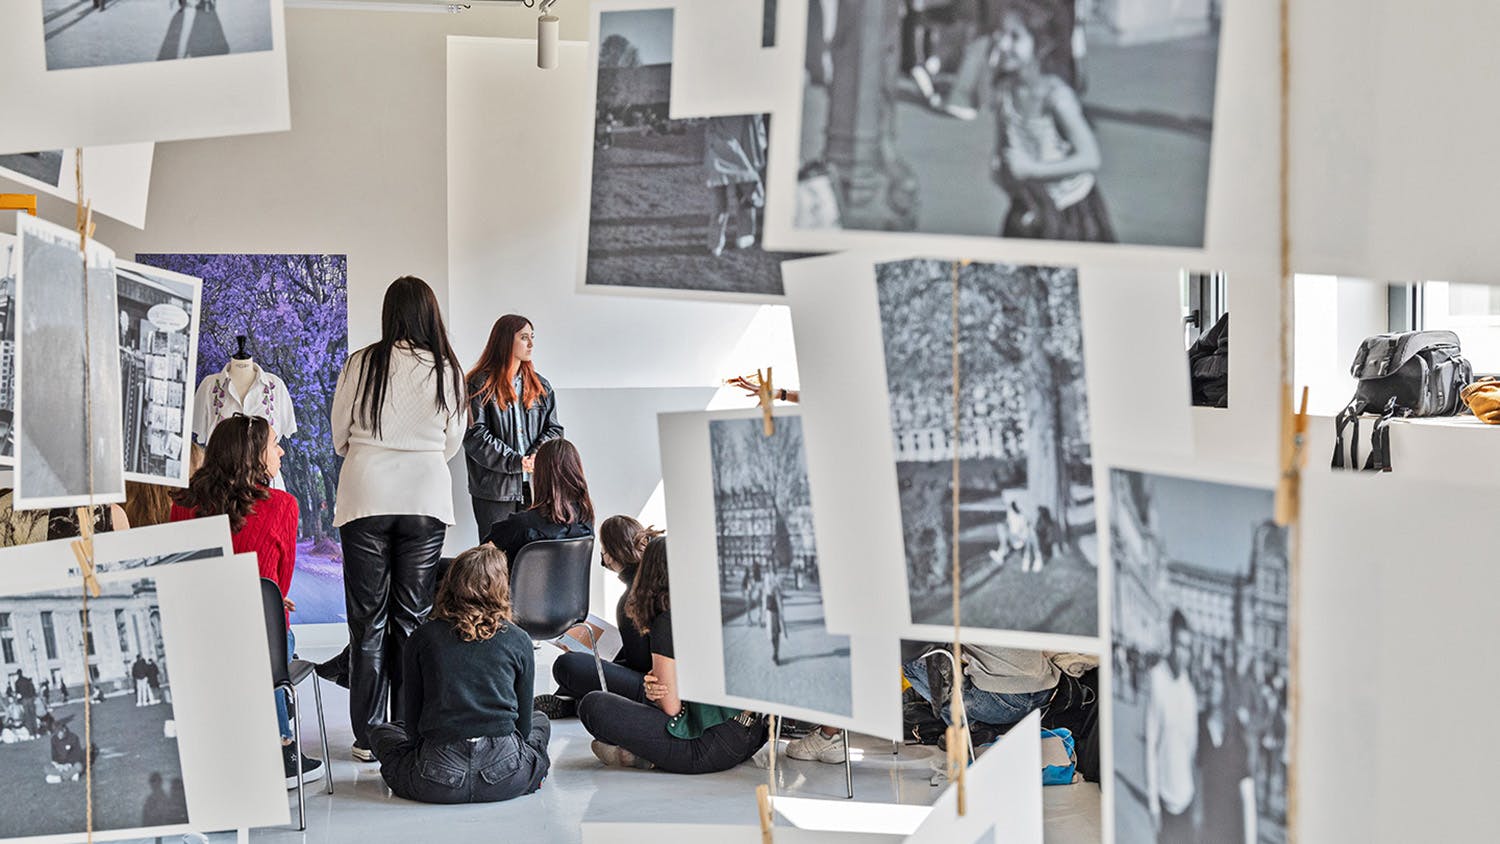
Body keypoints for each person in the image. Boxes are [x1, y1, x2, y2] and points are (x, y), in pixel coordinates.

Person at [331, 276, 467, 763]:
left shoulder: (362, 362)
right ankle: (406, 731)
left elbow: (338, 435)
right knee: (410, 619)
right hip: (424, 496)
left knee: (367, 623)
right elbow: (451, 443)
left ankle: (368, 738)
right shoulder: (448, 370)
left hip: (366, 493)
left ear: (390, 313)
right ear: (430, 312)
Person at [168, 413, 323, 786]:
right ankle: (282, 746)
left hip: (196, 640)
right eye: (274, 444)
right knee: (277, 638)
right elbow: (279, 586)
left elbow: (178, 571)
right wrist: (266, 596)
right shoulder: (283, 505)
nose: (281, 451)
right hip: (259, 641)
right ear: (252, 454)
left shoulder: (183, 503)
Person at [368, 544, 550, 805]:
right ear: (502, 587)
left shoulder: (422, 637)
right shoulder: (519, 639)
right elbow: (522, 726)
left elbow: (412, 720)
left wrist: (419, 751)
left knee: (382, 733)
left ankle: (413, 771)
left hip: (436, 777)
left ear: (450, 582)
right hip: (506, 775)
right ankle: (533, 773)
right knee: (539, 719)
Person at [578, 537, 768, 773]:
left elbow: (670, 708)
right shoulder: (729, 603)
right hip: (756, 736)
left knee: (594, 705)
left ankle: (643, 755)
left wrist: (655, 692)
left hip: (711, 748)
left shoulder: (668, 620)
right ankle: (643, 756)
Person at [788, 643, 1058, 763]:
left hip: (1003, 700)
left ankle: (829, 734)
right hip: (1044, 690)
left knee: (903, 655)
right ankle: (972, 726)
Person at [989, 1, 1113, 242]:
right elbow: (1003, 147)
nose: (1003, 44)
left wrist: (1033, 169)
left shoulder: (1055, 96)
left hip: (1069, 209)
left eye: (1015, 37)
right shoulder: (1005, 91)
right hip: (1030, 201)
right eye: (1001, 34)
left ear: (1041, 46)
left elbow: (1091, 158)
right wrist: (999, 169)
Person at [534, 516, 662, 719]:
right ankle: (574, 702)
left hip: (651, 690)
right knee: (589, 663)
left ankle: (575, 703)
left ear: (610, 555)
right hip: (659, 676)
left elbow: (638, 666)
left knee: (567, 665)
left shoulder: (631, 600)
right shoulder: (656, 578)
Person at [464, 314, 563, 542]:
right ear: (506, 340)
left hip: (535, 488)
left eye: (532, 337)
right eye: (524, 337)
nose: (531, 344)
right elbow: (474, 436)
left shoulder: (541, 386)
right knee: (494, 560)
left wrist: (536, 455)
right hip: (495, 492)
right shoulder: (479, 385)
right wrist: (514, 461)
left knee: (533, 558)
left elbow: (554, 429)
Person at [483, 438, 594, 568]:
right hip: (574, 589)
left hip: (519, 588)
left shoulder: (521, 525)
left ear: (540, 476)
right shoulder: (586, 522)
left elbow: (482, 555)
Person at [1147, 610, 1199, 843]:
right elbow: (1150, 745)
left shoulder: (1189, 689)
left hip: (1187, 797)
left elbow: (1192, 747)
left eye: (1188, 647)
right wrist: (1153, 805)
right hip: (1165, 799)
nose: (1183, 653)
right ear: (1171, 642)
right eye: (1179, 645)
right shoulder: (1156, 679)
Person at [1196, 661, 1257, 844]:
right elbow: (1197, 775)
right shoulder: (1200, 724)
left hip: (1233, 829)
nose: (1210, 684)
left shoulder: (1235, 730)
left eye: (1216, 679)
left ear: (1224, 685)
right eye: (1208, 678)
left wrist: (1251, 840)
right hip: (1209, 827)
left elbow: (1247, 794)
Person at [704, 114, 769, 255]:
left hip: (741, 137)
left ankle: (743, 233)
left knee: (742, 190)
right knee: (721, 194)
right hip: (722, 139)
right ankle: (717, 241)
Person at [45, 716, 86, 784]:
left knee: (79, 766)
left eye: (59, 732)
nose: (58, 735)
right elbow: (54, 755)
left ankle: (61, 778)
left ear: (64, 730)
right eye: (56, 733)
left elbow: (78, 755)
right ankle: (70, 775)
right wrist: (58, 765)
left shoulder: (73, 737)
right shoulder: (54, 739)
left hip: (71, 764)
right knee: (46, 768)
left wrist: (68, 764)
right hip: (60, 765)